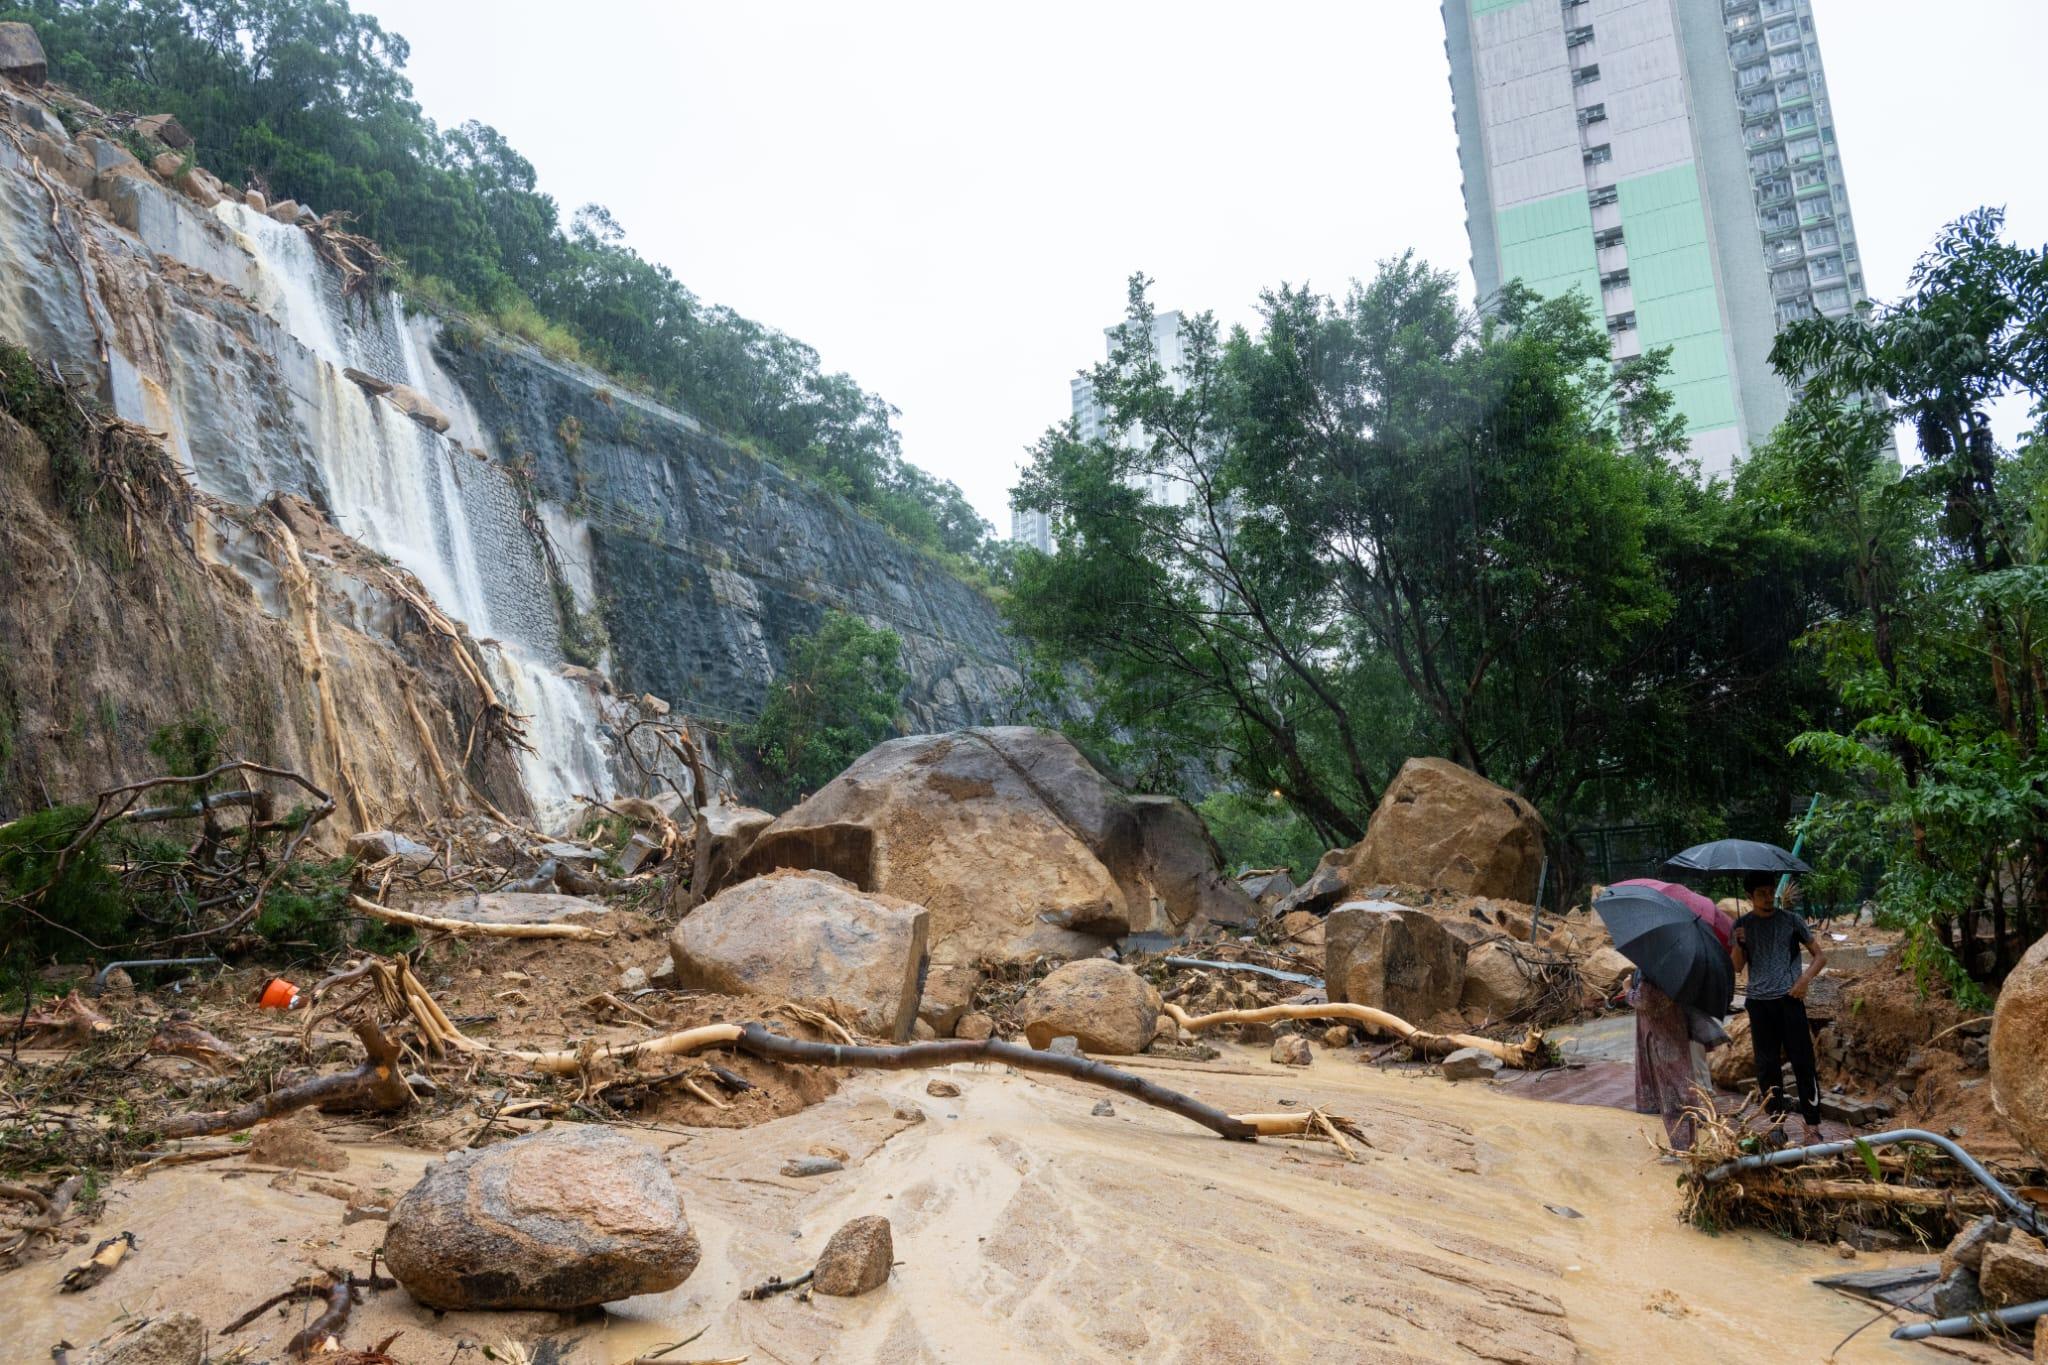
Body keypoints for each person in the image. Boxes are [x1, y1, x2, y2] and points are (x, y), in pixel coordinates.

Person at [1731, 871, 1827, 1137]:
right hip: (1759, 1003)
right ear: (1749, 897)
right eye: (1760, 893)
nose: (1767, 897)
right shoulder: (1741, 925)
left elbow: (1820, 956)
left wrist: (1804, 980)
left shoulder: (1792, 921)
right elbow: (1737, 967)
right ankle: (1776, 1123)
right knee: (1767, 1065)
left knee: (1803, 1061)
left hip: (1789, 1000)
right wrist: (1739, 944)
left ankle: (1813, 1124)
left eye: (1769, 891)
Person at [1628, 973, 1715, 1150]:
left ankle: (1681, 1145)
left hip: (1661, 1036)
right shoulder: (1679, 968)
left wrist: (1627, 989)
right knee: (1682, 1086)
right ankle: (1689, 1142)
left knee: (1671, 1093)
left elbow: (1643, 1000)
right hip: (1677, 1029)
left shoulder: (1652, 969)